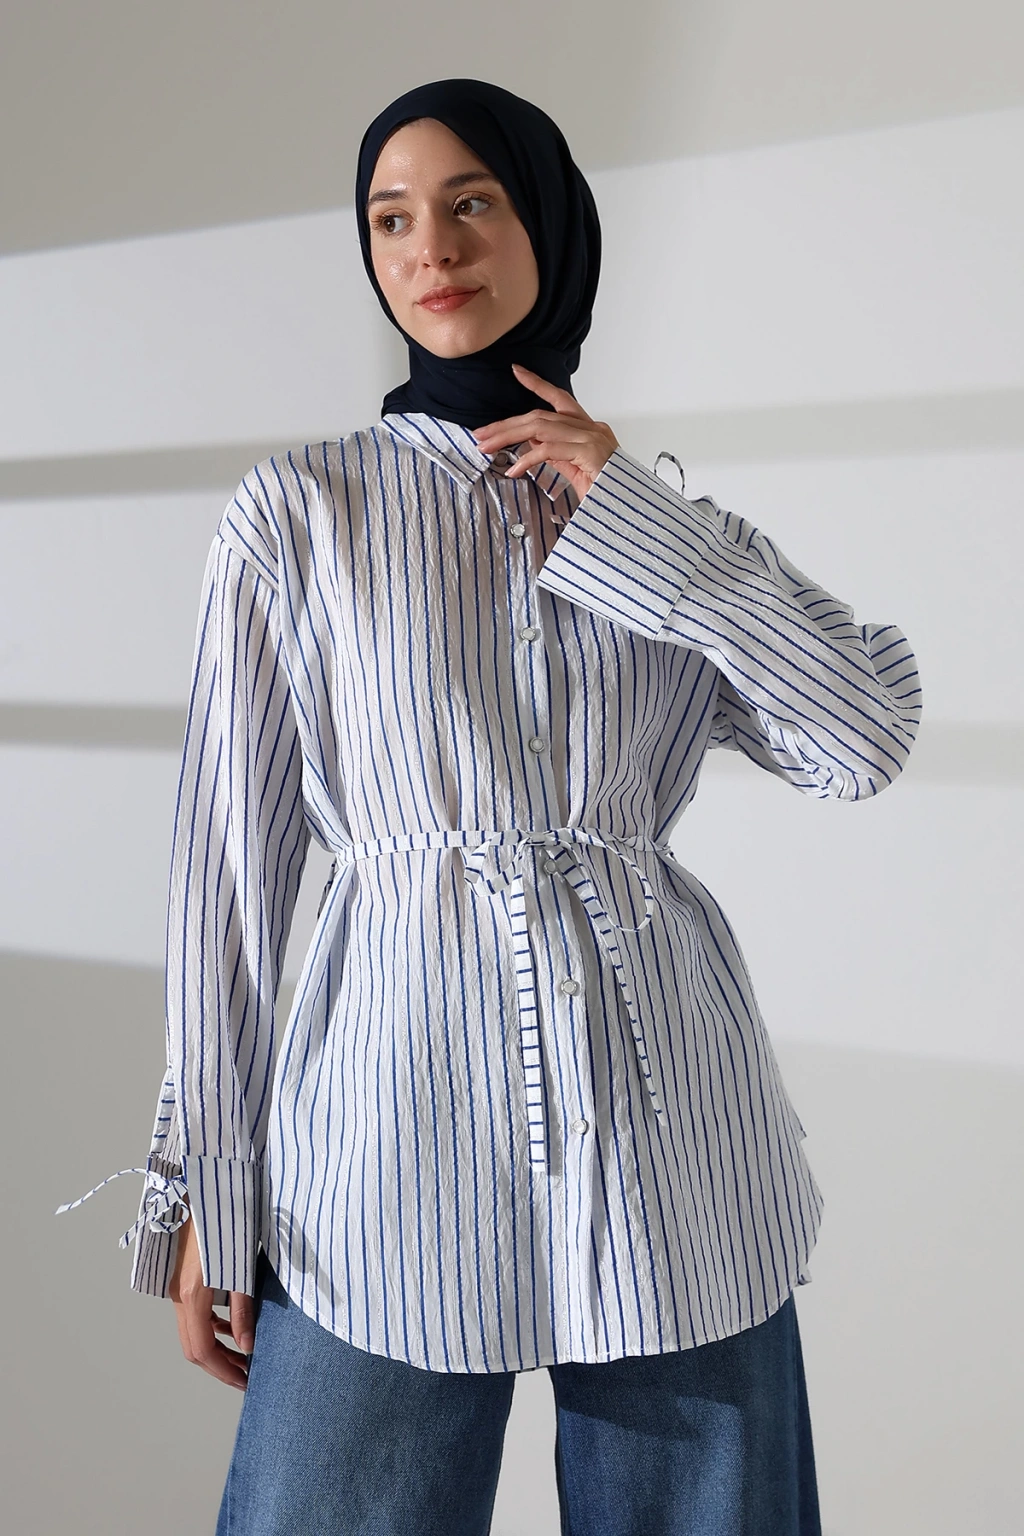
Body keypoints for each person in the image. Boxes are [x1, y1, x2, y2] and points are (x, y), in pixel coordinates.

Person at [59, 78, 921, 1534]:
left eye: (472, 203)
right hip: (379, 1145)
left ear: (549, 227)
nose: (431, 248)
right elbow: (230, 880)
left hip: (671, 1151)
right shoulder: (302, 515)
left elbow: (864, 737)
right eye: (391, 218)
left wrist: (638, 519)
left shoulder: (661, 520)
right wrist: (209, 1174)